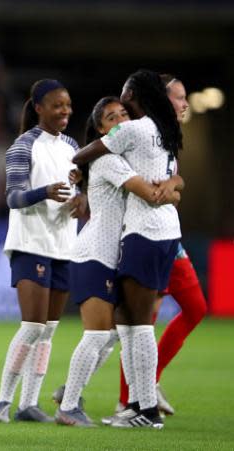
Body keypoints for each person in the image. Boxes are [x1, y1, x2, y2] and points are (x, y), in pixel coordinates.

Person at [54, 97, 180, 427]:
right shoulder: (110, 162)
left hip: (111, 255)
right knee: (98, 335)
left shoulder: (125, 158)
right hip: (94, 253)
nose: (121, 120)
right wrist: (167, 189)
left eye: (124, 114)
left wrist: (171, 183)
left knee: (118, 335)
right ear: (101, 131)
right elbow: (148, 191)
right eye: (111, 118)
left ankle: (125, 402)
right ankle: (68, 405)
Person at [0, 79, 79, 424]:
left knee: (49, 329)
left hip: (63, 245)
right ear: (38, 107)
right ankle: (2, 403)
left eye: (68, 105)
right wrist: (43, 192)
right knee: (31, 326)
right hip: (31, 244)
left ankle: (29, 403)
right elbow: (12, 198)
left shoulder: (72, 145)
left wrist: (80, 199)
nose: (65, 111)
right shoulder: (22, 147)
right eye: (57, 105)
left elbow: (77, 187)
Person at [116, 74, 207, 416]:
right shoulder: (139, 132)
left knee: (196, 308)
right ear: (160, 99)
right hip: (144, 233)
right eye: (180, 97)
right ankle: (129, 399)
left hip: (171, 237)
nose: (185, 104)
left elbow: (176, 185)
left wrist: (173, 183)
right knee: (141, 320)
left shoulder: (169, 137)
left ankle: (149, 381)